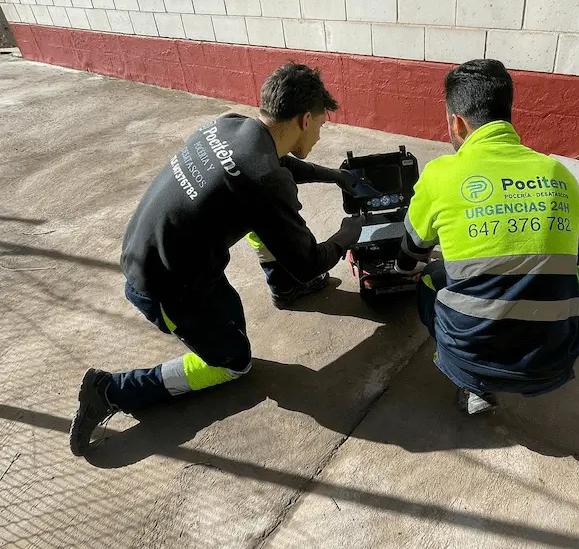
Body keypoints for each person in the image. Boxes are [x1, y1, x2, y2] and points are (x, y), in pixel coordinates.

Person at [70, 63, 364, 455]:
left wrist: (334, 176)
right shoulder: (263, 180)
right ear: (304, 120)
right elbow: (308, 261)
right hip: (164, 285)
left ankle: (285, 288)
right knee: (232, 363)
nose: (320, 133)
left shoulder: (232, 126)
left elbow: (279, 164)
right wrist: (349, 233)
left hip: (158, 249)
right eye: (321, 125)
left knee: (263, 219)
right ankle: (111, 390)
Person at [395, 59, 579, 415]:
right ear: (507, 113)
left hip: (472, 360)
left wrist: (404, 268)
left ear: (457, 122)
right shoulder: (558, 173)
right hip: (553, 360)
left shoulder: (440, 174)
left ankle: (472, 385)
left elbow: (410, 255)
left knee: (431, 277)